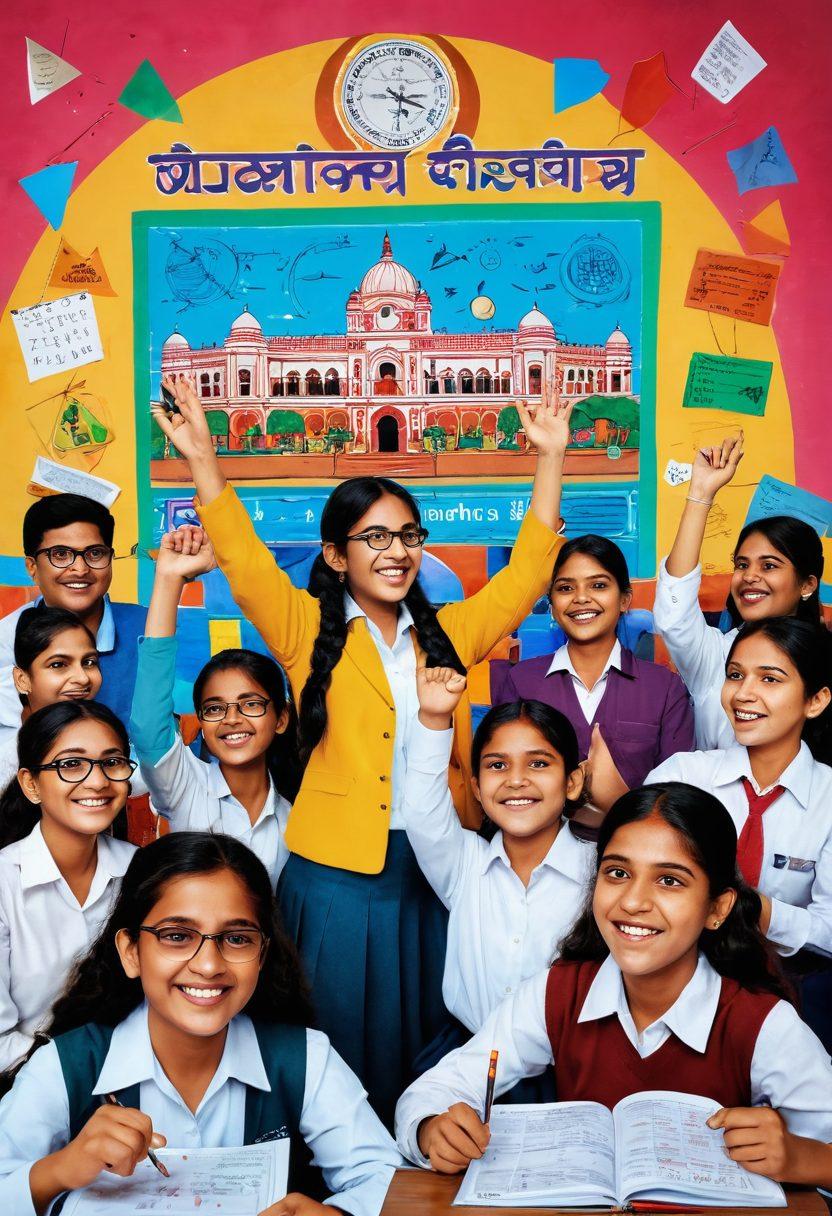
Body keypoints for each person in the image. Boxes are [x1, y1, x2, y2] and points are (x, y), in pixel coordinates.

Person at [151, 373, 571, 1128]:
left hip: (433, 875)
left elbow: (528, 575)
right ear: (337, 555)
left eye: (409, 536)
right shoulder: (307, 629)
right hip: (334, 881)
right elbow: (244, 563)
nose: (397, 551)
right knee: (332, 1057)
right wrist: (205, 460)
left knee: (429, 1047)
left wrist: (551, 457)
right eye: (375, 537)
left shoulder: (448, 633)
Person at [394, 784, 832, 1188]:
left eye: (670, 880)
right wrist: (433, 1128)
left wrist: (800, 1157)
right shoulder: (557, 992)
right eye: (617, 873)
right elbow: (432, 1093)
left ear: (717, 908)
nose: (633, 902)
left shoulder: (762, 1024)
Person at [0, 833, 402, 1216]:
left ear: (262, 954)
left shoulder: (305, 1059)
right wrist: (58, 1170)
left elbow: (387, 1179)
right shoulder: (64, 1067)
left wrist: (335, 1212)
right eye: (177, 936)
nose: (209, 966)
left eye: (237, 939)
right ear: (131, 952)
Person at [646, 617, 832, 1048]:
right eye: (735, 675)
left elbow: (828, 930)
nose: (744, 693)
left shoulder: (827, 799)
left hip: (782, 1007)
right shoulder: (683, 776)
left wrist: (754, 908)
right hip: (669, 993)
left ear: (816, 699)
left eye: (770, 678)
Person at [405, 668, 591, 1036]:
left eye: (538, 763)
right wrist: (434, 718)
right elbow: (421, 809)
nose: (516, 779)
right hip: (468, 1053)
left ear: (572, 782)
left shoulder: (600, 870)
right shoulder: (463, 864)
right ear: (476, 787)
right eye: (497, 765)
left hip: (565, 1061)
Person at [130, 524, 301, 888]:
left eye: (250, 703)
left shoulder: (299, 816)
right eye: (214, 708)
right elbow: (147, 723)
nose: (232, 719)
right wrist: (169, 579)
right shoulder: (185, 785)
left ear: (282, 717)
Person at [491, 535, 694, 810]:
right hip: (542, 848)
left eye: (598, 585)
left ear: (624, 599)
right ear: (551, 604)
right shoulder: (521, 682)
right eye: (565, 588)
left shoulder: (665, 689)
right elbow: (502, 776)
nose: (581, 598)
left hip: (634, 848)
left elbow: (677, 796)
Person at [653, 432, 824, 748]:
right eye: (742, 564)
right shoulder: (716, 656)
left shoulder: (825, 657)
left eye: (769, 566)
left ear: (807, 584)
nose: (750, 576)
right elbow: (674, 612)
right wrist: (701, 493)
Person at [0, 701, 136, 1073]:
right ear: (31, 785)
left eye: (112, 762)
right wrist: (83, 1077)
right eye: (70, 764)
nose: (97, 781)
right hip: (22, 1086)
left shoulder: (143, 871)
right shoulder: (4, 883)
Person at [0, 494, 146, 747]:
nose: (80, 569)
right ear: (32, 567)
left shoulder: (153, 628)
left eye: (95, 553)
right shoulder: (6, 640)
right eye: (60, 554)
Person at [0, 607, 101, 790]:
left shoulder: (113, 745)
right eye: (58, 664)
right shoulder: (7, 763)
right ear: (22, 680)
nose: (83, 678)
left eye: (89, 662)